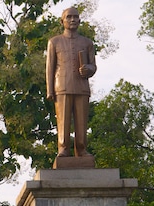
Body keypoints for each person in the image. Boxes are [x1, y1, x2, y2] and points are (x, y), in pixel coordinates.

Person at [46, 7, 96, 158]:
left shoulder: (87, 43)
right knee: (63, 121)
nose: (72, 19)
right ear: (62, 21)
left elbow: (93, 66)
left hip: (82, 87)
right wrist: (50, 90)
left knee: (81, 122)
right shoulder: (54, 42)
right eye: (69, 17)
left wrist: (89, 68)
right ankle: (63, 148)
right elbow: (50, 67)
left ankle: (81, 149)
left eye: (75, 17)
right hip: (62, 86)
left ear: (79, 21)